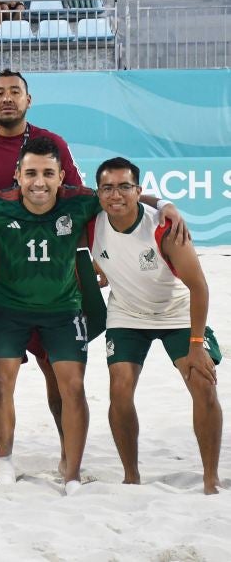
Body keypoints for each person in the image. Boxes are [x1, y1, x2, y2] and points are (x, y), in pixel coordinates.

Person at [0, 137, 181, 495]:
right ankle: (5, 464)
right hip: (9, 310)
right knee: (2, 385)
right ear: (18, 175)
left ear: (61, 176)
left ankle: (72, 473)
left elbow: (121, 196)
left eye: (48, 173)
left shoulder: (79, 201)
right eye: (31, 172)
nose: (39, 181)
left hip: (64, 311)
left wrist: (165, 204)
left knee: (72, 387)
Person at [0, 68, 84, 470]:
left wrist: (85, 263)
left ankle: (69, 454)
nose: (8, 98)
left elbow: (76, 204)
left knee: (55, 367)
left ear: (29, 100)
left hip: (47, 269)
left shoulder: (52, 145)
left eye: (16, 92)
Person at [90, 157, 222, 495]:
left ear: (139, 191)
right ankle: (131, 475)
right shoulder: (92, 222)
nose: (115, 194)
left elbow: (200, 287)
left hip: (177, 311)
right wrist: (95, 267)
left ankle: (210, 479)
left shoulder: (165, 229)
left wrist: (196, 345)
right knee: (119, 390)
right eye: (107, 187)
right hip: (127, 314)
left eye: (124, 187)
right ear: (98, 193)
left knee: (203, 384)